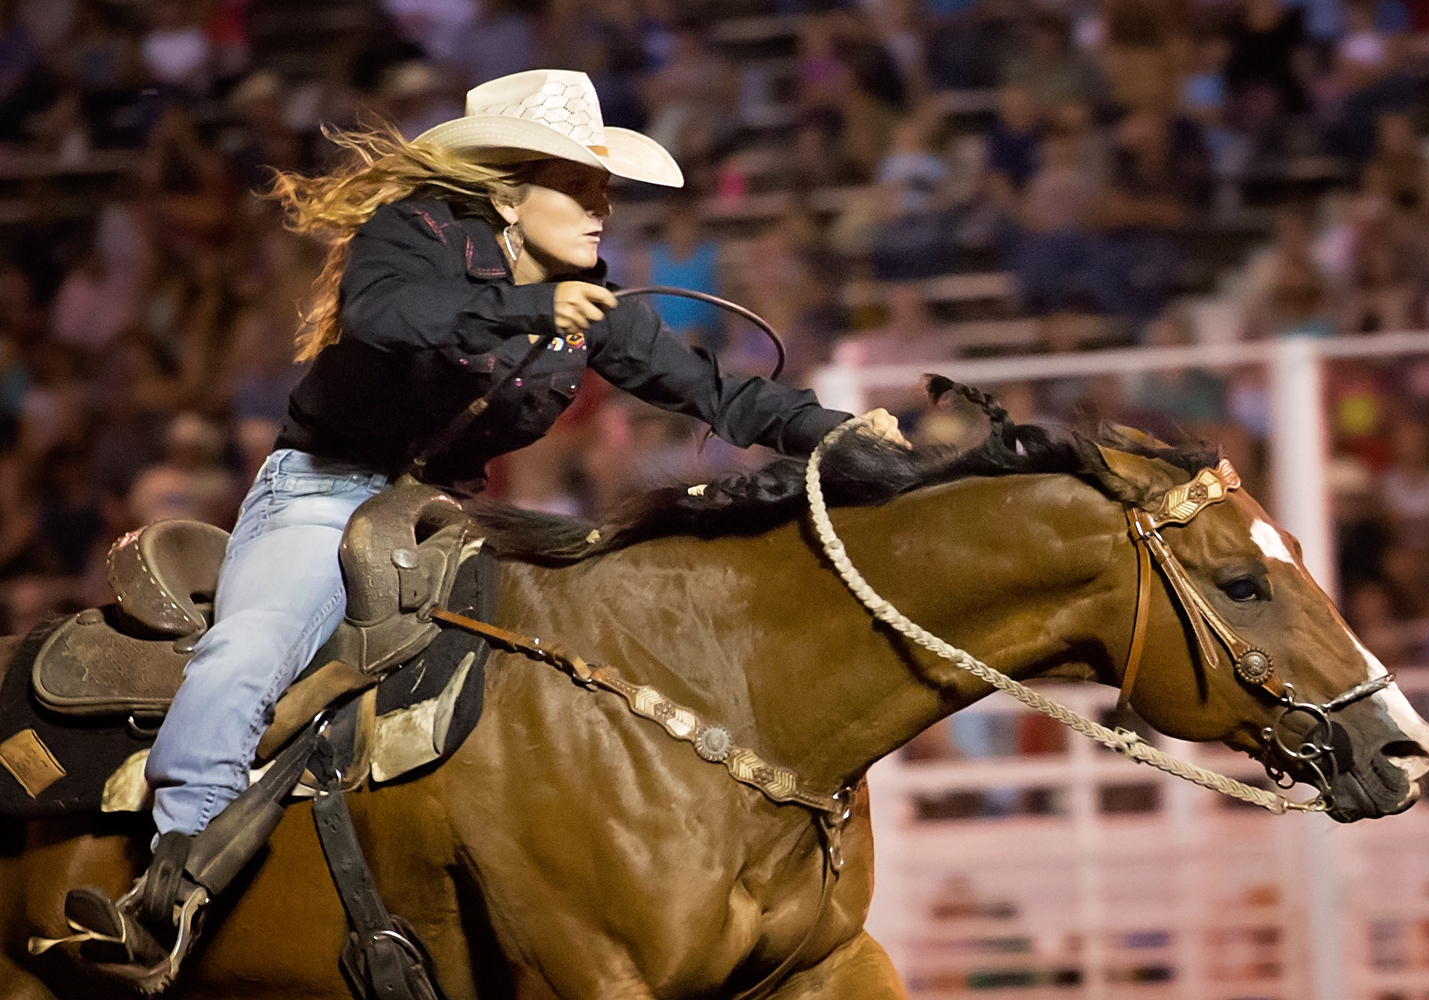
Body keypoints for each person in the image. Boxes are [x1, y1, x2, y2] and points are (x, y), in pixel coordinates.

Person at [63, 68, 904, 979]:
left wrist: (839, 435)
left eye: (605, 190)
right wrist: (533, 306)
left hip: (444, 517)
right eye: (579, 186)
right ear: (508, 193)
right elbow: (386, 315)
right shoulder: (417, 232)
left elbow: (715, 393)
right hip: (321, 491)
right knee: (250, 649)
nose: (602, 208)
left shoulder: (592, 310)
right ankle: (165, 887)